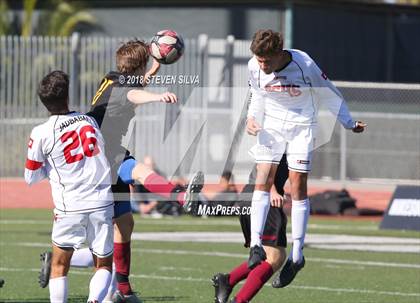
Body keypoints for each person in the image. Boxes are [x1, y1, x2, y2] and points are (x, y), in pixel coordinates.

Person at [38, 39, 204, 303]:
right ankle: (181, 196)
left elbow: (136, 85)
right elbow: (134, 94)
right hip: (105, 153)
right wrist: (158, 96)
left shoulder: (114, 78)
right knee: (137, 171)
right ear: (136, 68)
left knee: (125, 225)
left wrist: (155, 67)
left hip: (105, 149)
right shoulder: (123, 87)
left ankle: (121, 288)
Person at [245, 29, 366, 286]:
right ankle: (255, 246)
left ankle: (297, 255)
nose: (262, 65)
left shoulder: (304, 63)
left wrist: (348, 122)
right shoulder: (253, 65)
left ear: (279, 54)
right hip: (272, 127)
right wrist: (251, 119)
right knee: (262, 180)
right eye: (258, 59)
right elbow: (257, 95)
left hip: (302, 126)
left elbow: (330, 93)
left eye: (266, 60)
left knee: (297, 185)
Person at [26, 71, 114, 303]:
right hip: (102, 202)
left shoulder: (41, 132)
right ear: (67, 97)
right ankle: (94, 300)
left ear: (43, 102)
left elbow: (31, 177)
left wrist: (50, 168)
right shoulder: (90, 121)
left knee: (59, 264)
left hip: (69, 205)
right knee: (103, 263)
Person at [212, 156, 289, 303]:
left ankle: (227, 281)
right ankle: (238, 298)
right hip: (261, 195)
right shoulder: (285, 135)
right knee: (274, 257)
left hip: (255, 194)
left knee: (269, 256)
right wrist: (271, 190)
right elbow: (263, 164)